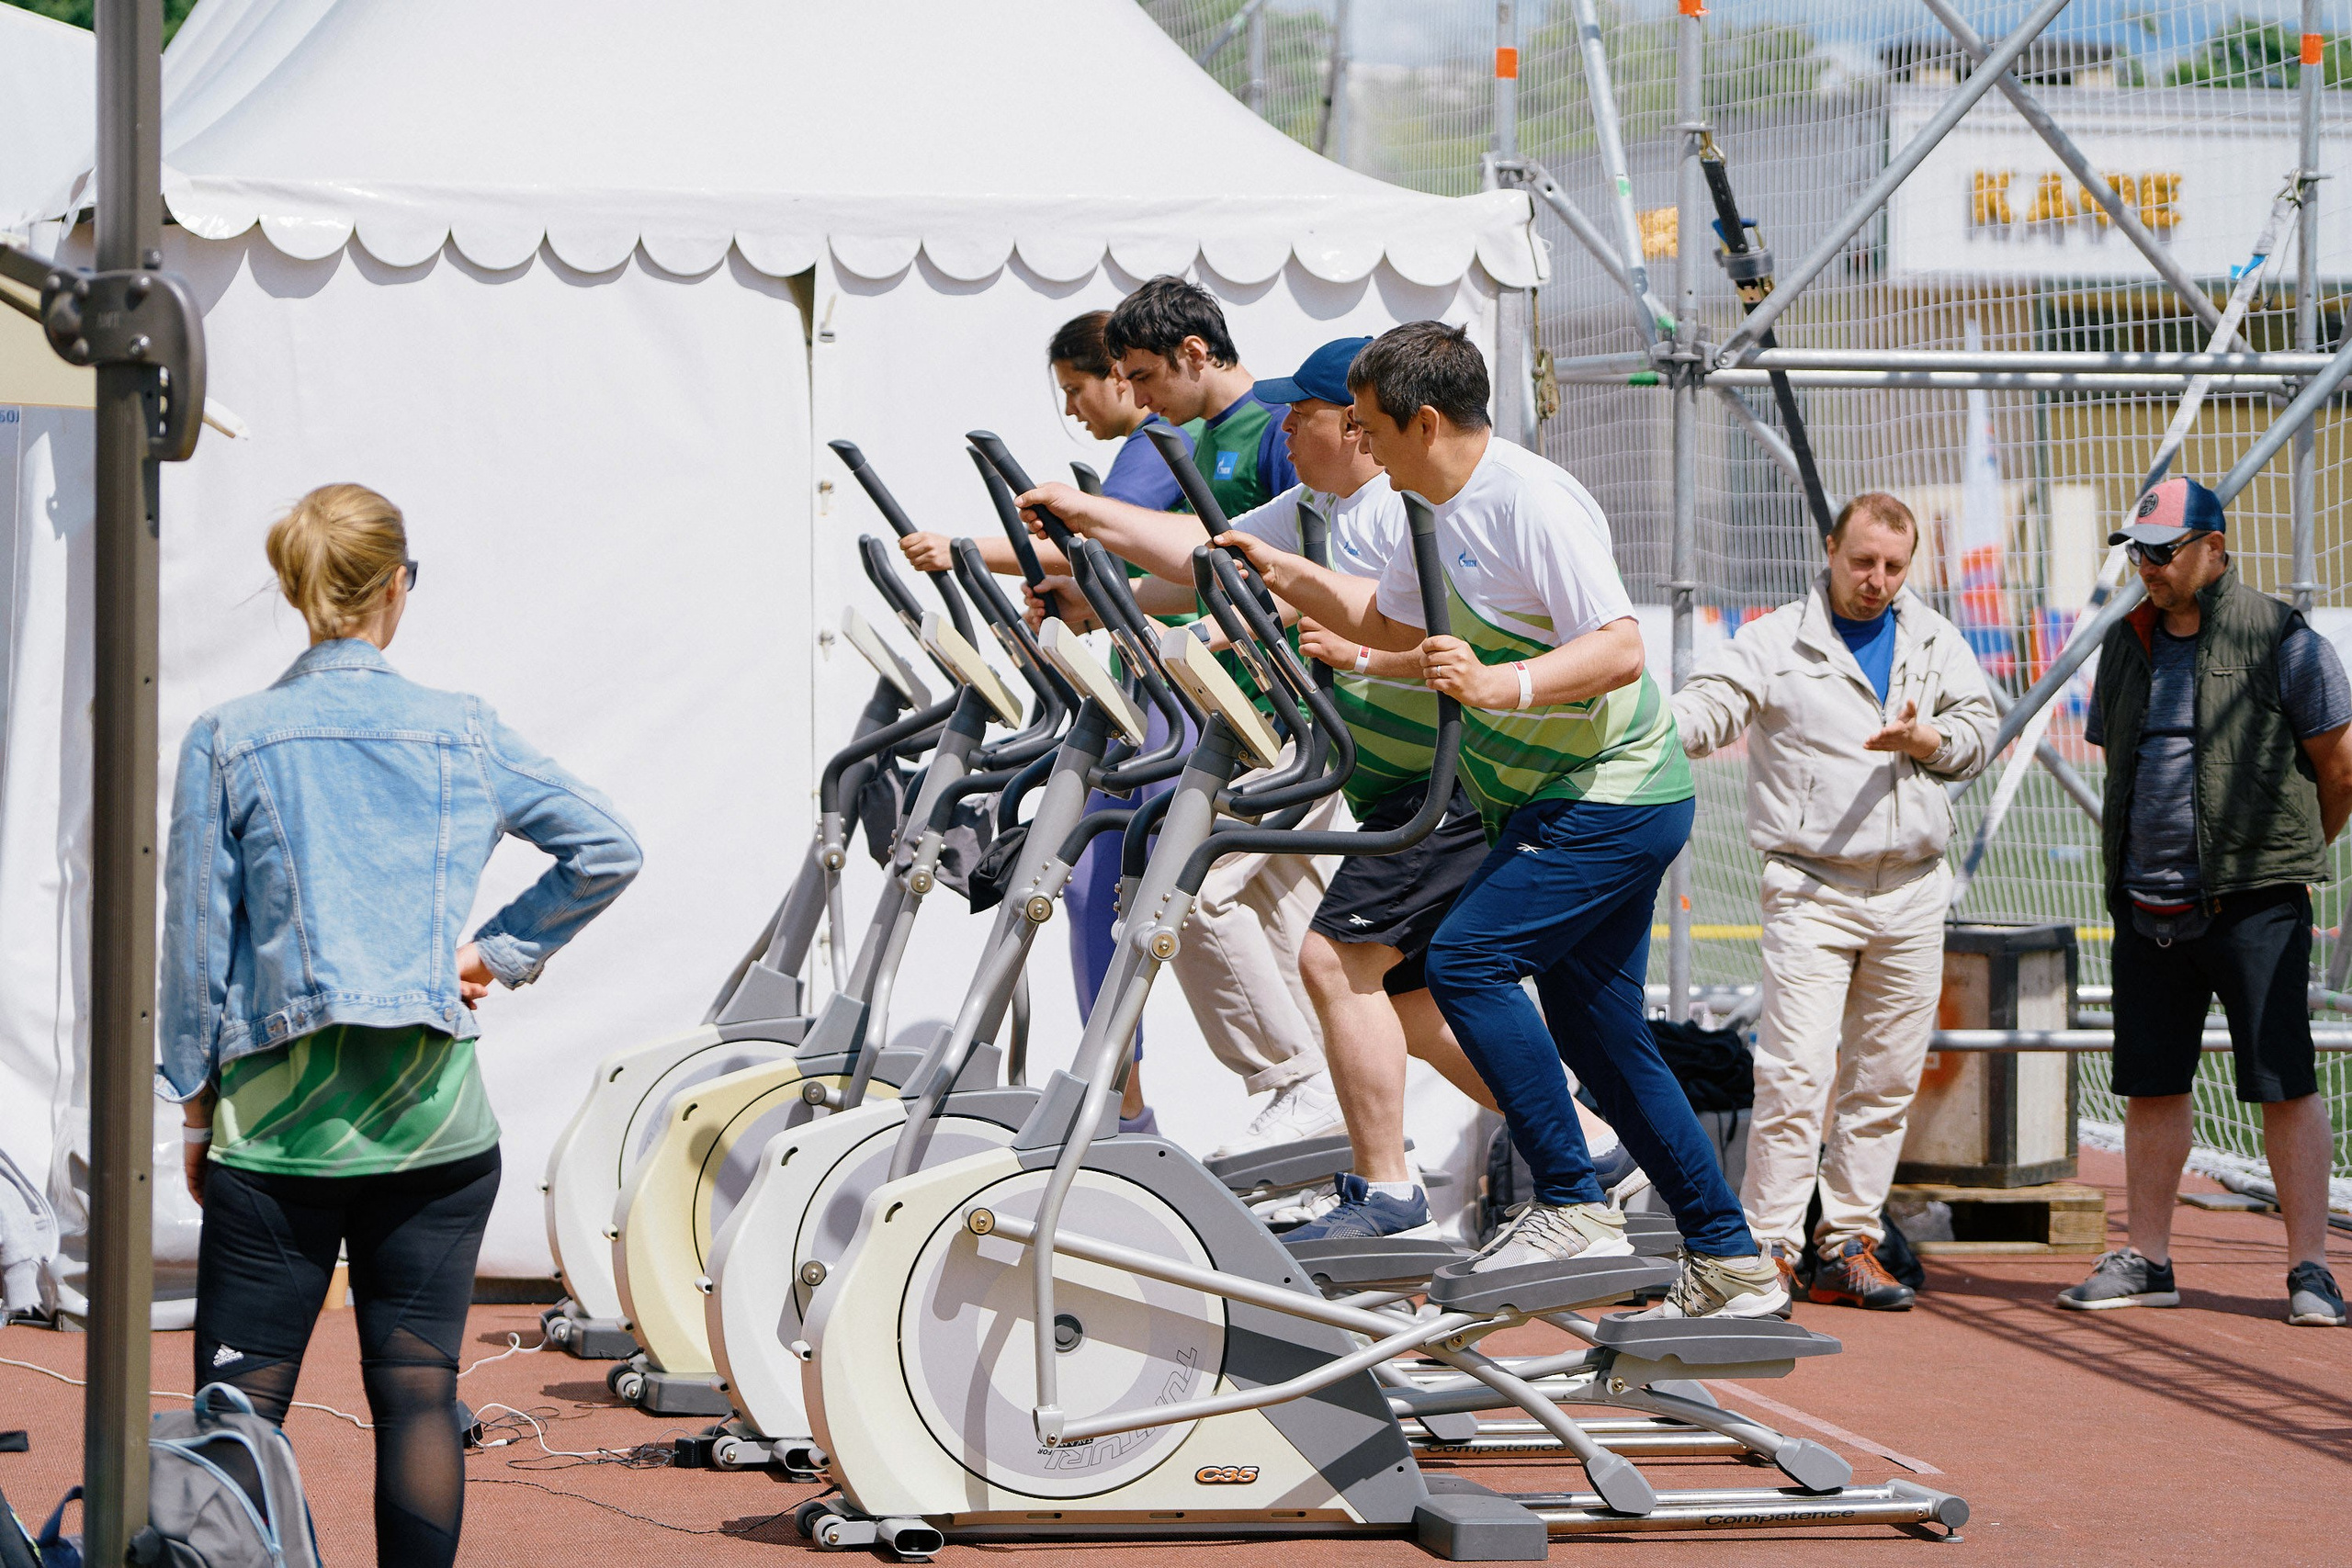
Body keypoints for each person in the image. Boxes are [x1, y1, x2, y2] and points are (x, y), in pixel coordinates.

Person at [1223, 321, 1786, 1318]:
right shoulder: (1423, 503)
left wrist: (1504, 685)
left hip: (1611, 792)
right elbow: (1397, 628)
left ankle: (1571, 1196)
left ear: (1423, 422)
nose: (1357, 442)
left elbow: (1618, 650)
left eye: (1368, 426)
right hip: (1548, 798)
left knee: (1464, 962)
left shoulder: (1529, 500)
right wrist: (1273, 576)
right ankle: (1729, 1258)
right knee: (1604, 1035)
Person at [161, 484, 644, 1565]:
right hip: (435, 1128)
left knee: (240, 1405)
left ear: (296, 592)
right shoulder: (461, 730)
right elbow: (606, 846)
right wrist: (493, 952)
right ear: (393, 587)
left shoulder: (229, 739)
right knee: (419, 1392)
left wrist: (196, 1107)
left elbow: (195, 944)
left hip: (277, 1130)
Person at [1022, 335, 1498, 1236]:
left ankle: (1327, 1117)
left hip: (1431, 777)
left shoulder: (1403, 515)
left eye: (1305, 416)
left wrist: (1302, 626)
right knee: (1407, 1000)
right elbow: (1197, 553)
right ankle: (1581, 1139)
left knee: (1210, 894)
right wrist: (1078, 526)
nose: (1288, 429)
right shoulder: (1318, 502)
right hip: (1361, 771)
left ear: (1356, 429)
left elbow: (1384, 621)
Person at [1015, 280, 1341, 1158]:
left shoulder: (1279, 428)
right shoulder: (1202, 437)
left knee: (1194, 892)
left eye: (1148, 375)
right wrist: (1090, 595)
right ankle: (1333, 1125)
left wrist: (1082, 533)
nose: (1141, 396)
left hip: (1298, 717)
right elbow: (1209, 571)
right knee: (1286, 933)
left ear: (1197, 353)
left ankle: (1301, 1090)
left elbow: (1284, 583)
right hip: (1243, 716)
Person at [1671, 492, 1997, 1309]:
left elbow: (1979, 730)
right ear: (1829, 550)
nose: (1877, 580)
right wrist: (1652, 725)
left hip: (1914, 889)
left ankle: (1850, 1240)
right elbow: (1710, 706)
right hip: (1811, 888)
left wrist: (1932, 741)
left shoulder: (1933, 638)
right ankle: (1770, 1246)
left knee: (1886, 1080)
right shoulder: (1777, 639)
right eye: (1863, 561)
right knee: (1795, 1073)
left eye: (1893, 565)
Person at [897, 310, 1201, 1134]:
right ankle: (1116, 1101)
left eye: (1083, 388)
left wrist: (964, 545)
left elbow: (1094, 555)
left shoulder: (1155, 447)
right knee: (1093, 893)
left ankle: (1135, 1104)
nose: (1078, 410)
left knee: (1130, 897)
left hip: (1182, 711)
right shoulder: (1147, 452)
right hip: (1148, 700)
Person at [2062, 475, 2350, 1327]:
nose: (2146, 566)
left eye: (2162, 550)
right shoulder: (2127, 640)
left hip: (2254, 902)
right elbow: (2119, 755)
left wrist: (2288, 856)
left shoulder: (2285, 639)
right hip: (2147, 902)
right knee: (2151, 1084)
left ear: (2214, 549)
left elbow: (2339, 768)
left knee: (2282, 1080)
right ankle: (2149, 1257)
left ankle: (2311, 1269)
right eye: (2138, 551)